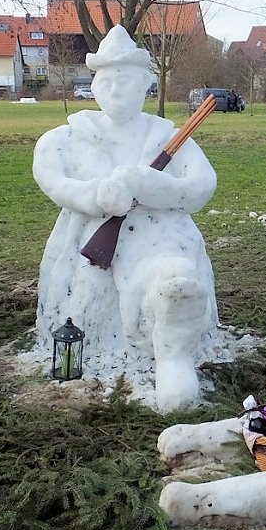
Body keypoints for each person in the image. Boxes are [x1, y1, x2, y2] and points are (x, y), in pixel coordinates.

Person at [32, 25, 218, 412]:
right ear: (95, 85)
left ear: (145, 87)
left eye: (128, 82)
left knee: (174, 275)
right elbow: (51, 178)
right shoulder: (65, 137)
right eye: (109, 82)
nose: (117, 91)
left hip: (161, 235)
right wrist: (97, 196)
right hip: (90, 238)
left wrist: (153, 187)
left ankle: (173, 354)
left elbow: (202, 185)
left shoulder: (168, 136)